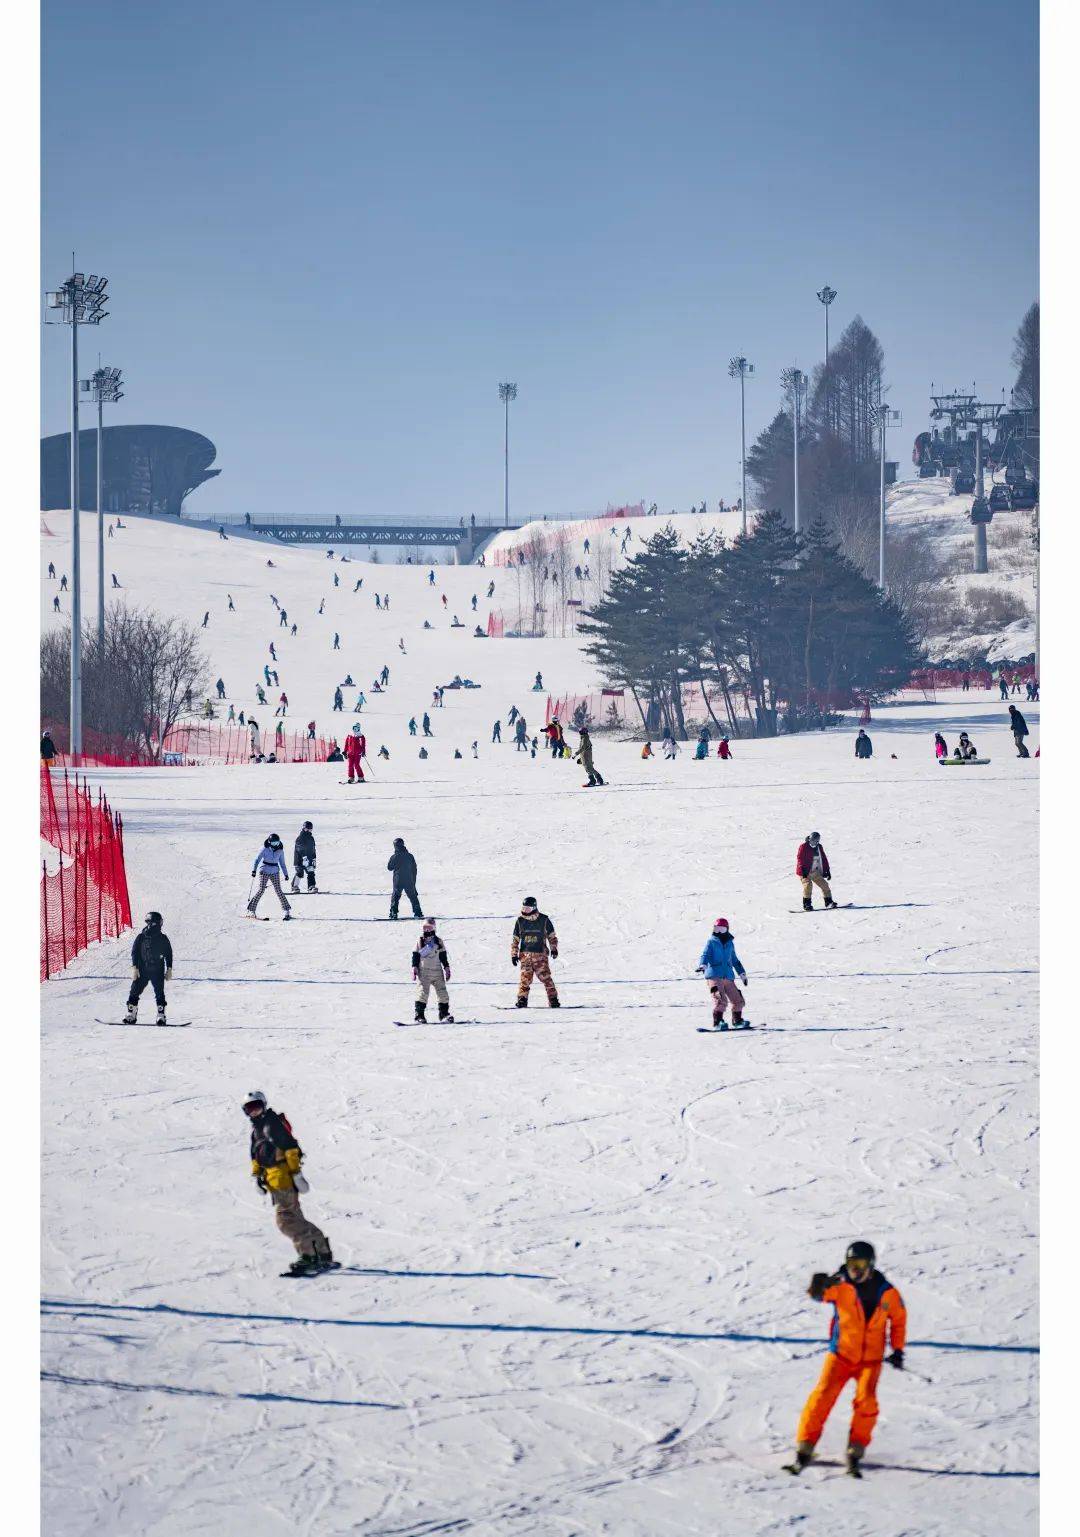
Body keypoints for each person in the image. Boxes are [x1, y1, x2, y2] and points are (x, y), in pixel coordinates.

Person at [786, 1240, 906, 1479]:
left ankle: (856, 1448)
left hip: (870, 1360)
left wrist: (898, 1350)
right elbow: (820, 1295)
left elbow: (899, 1319)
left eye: (860, 1264)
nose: (855, 1269)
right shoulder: (840, 1285)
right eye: (852, 1263)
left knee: (867, 1402)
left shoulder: (888, 1293)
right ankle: (805, 1445)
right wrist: (818, 1287)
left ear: (870, 1265)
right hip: (841, 1355)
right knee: (822, 1396)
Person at [244, 1090, 333, 1276]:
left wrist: (296, 1174)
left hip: (284, 1179)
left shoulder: (271, 1125)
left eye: (256, 1107)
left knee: (286, 1221)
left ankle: (308, 1257)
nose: (253, 1112)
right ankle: (322, 1252)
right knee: (296, 1218)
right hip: (273, 1181)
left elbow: (290, 1149)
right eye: (249, 1108)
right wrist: (256, 1178)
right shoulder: (258, 1130)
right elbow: (256, 1157)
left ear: (264, 1105)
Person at [695, 917, 748, 1029]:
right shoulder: (711, 942)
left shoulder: (730, 944)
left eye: (722, 929)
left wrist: (742, 973)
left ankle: (737, 1021)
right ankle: (718, 1022)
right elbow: (705, 955)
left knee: (738, 1000)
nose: (719, 932)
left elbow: (734, 960)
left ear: (727, 930)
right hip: (714, 975)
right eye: (716, 929)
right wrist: (703, 965)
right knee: (720, 1000)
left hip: (728, 976)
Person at [123, 911, 173, 1025]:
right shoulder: (141, 937)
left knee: (159, 993)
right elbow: (134, 953)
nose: (161, 924)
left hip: (157, 970)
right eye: (159, 922)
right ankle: (131, 1014)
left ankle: (161, 1016)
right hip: (142, 970)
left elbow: (168, 953)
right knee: (134, 991)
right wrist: (135, 967)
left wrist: (169, 968)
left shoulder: (163, 938)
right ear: (155, 923)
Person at [511, 897, 559, 1008]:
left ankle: (553, 999)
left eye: (528, 908)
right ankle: (522, 999)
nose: (525, 910)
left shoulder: (544, 920)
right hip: (525, 956)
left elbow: (552, 937)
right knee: (524, 980)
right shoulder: (520, 921)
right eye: (524, 908)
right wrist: (514, 954)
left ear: (534, 907)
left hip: (540, 956)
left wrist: (554, 948)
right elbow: (515, 940)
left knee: (546, 978)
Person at [412, 919, 452, 1022]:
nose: (426, 930)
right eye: (424, 928)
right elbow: (415, 955)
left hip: (437, 971)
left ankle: (444, 1014)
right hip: (424, 972)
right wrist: (414, 967)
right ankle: (419, 1015)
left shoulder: (438, 941)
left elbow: (443, 956)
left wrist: (446, 968)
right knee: (422, 993)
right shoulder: (420, 941)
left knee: (442, 992)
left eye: (429, 928)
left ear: (434, 928)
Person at [247, 835, 293, 919]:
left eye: (277, 842)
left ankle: (287, 910)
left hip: (275, 871)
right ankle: (251, 910)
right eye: (274, 843)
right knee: (261, 890)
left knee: (278, 891)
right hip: (264, 871)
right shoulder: (265, 849)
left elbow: (282, 864)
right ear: (269, 842)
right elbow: (257, 859)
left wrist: (286, 874)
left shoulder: (280, 850)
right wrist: (254, 870)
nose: (276, 844)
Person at [796, 831, 837, 910]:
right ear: (809, 839)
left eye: (815, 841)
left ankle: (828, 902)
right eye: (812, 840)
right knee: (808, 886)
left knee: (824, 885)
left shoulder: (819, 847)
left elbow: (823, 859)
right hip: (805, 872)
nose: (813, 842)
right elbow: (800, 858)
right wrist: (803, 870)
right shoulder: (803, 846)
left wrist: (827, 871)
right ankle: (807, 904)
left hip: (815, 872)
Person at [388, 837, 423, 920]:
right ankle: (418, 913)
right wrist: (413, 881)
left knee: (395, 896)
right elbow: (414, 869)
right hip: (409, 879)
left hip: (398, 879)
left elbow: (389, 867)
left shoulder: (395, 856)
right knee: (413, 896)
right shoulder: (410, 856)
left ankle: (394, 913)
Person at [291, 821, 317, 893]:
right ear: (304, 828)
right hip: (299, 859)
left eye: (310, 829)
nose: (308, 830)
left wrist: (314, 858)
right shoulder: (300, 838)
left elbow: (313, 849)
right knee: (300, 873)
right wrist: (304, 857)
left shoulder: (311, 838)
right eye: (307, 829)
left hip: (309, 859)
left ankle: (311, 886)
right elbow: (300, 848)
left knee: (311, 871)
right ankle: (294, 886)